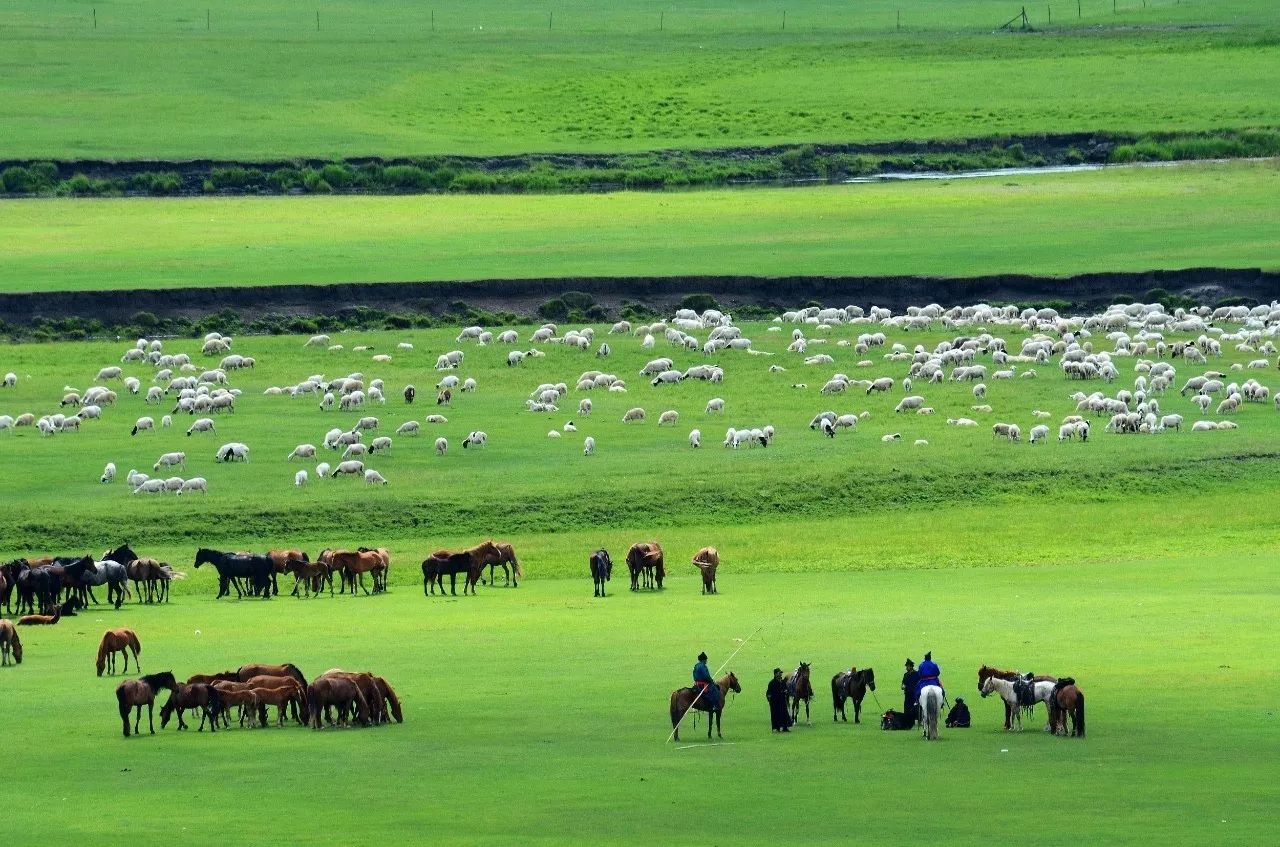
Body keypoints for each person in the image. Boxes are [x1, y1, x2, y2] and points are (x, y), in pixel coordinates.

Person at [766, 667, 791, 732]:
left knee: (784, 714)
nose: (780, 674)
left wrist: (786, 691)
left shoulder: (782, 682)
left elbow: (786, 689)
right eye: (779, 673)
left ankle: (785, 727)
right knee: (776, 715)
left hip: (782, 701)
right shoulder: (771, 683)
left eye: (780, 673)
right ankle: (776, 728)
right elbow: (768, 693)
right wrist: (770, 699)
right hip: (775, 702)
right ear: (775, 674)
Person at [901, 658, 919, 724]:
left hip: (914, 695)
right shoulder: (905, 675)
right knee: (907, 709)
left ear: (911, 666)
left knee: (915, 709)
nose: (906, 668)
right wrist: (902, 686)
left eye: (907, 666)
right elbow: (903, 684)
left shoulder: (917, 674)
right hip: (907, 695)